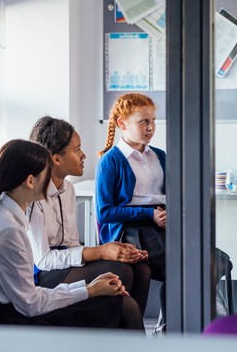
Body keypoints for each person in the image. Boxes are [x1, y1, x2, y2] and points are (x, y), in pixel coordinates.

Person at [0, 139, 143, 329]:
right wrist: (89, 291)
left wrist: (86, 288)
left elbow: (28, 296)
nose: (51, 183)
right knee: (126, 308)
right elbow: (31, 304)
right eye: (47, 175)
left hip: (12, 310)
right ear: (30, 181)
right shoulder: (8, 231)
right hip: (11, 321)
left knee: (119, 305)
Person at [28, 116, 151, 314]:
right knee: (120, 271)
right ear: (56, 158)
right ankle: (114, 332)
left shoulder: (68, 189)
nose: (83, 155)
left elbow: (72, 244)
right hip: (42, 274)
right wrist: (101, 252)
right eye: (77, 150)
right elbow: (43, 260)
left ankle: (127, 331)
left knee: (140, 268)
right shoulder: (33, 197)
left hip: (64, 265)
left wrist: (115, 250)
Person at [96, 93, 166, 325]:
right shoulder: (111, 161)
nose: (151, 127)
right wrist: (149, 214)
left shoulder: (160, 156)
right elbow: (105, 212)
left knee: (210, 258)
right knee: (179, 265)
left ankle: (171, 324)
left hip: (160, 223)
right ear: (122, 124)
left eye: (153, 120)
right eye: (143, 121)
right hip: (131, 228)